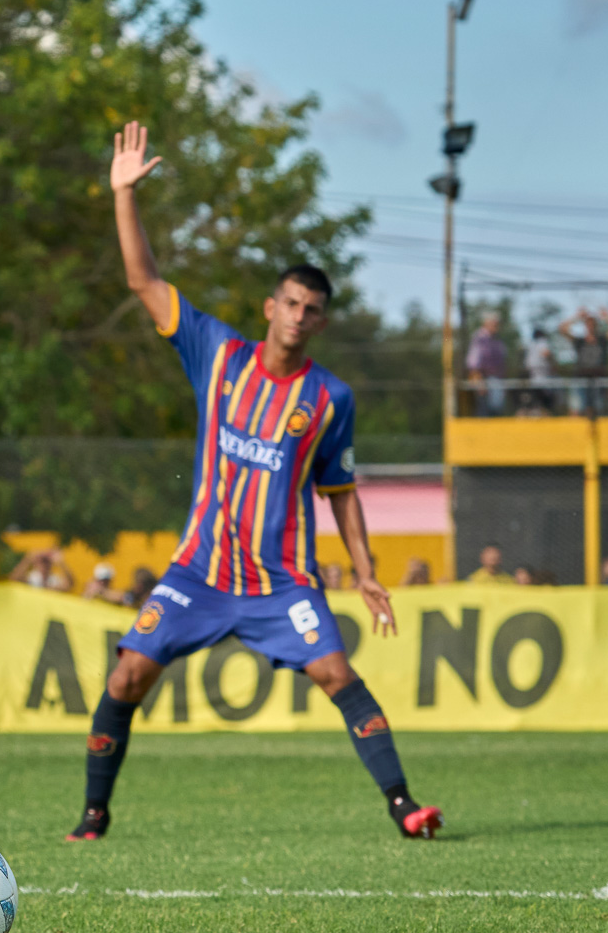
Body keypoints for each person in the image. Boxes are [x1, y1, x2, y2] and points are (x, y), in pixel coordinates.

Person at [66, 121, 442, 845]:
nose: (300, 317)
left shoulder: (330, 397)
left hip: (280, 580)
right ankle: (93, 814)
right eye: (291, 303)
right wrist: (124, 197)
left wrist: (365, 572)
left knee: (337, 672)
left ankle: (405, 804)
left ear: (323, 322)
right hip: (199, 570)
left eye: (314, 310)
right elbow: (143, 281)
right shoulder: (216, 351)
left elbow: (341, 491)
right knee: (125, 679)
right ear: (271, 306)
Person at [464, 312, 507, 415]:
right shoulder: (480, 338)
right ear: (487, 323)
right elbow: (473, 361)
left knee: (495, 410)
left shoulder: (495, 339)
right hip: (483, 379)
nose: (497, 326)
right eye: (495, 324)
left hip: (495, 380)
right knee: (485, 410)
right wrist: (479, 381)